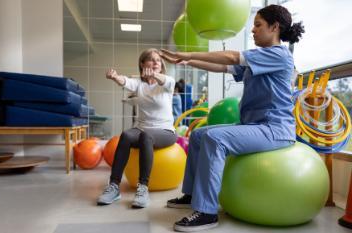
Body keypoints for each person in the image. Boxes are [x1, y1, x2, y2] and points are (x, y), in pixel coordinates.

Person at [160, 4, 305, 232]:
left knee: (215, 139)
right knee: (198, 134)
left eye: (258, 25)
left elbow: (231, 56)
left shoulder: (279, 55)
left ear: (275, 27)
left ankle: (207, 212)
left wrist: (188, 53)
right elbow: (225, 67)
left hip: (274, 129)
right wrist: (188, 62)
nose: (253, 30)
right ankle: (191, 194)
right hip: (254, 125)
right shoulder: (260, 58)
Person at [97, 48, 177, 208]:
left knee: (146, 136)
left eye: (158, 60)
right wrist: (115, 77)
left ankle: (143, 188)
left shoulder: (168, 82)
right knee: (126, 135)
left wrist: (154, 75)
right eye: (151, 59)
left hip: (165, 131)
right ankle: (114, 186)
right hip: (142, 129)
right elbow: (124, 81)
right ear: (142, 64)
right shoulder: (139, 85)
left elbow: (163, 80)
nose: (156, 62)